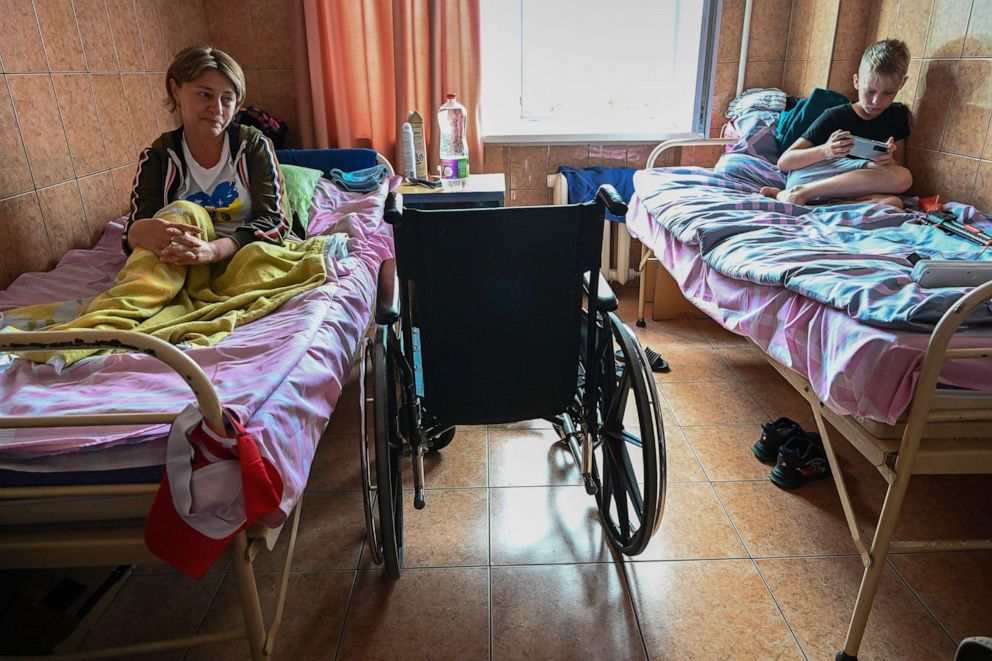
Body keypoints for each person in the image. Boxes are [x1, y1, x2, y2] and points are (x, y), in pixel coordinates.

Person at [123, 45, 292, 265]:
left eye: (227, 99)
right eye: (205, 95)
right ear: (176, 90)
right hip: (181, 258)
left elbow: (274, 221)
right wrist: (138, 232)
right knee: (169, 227)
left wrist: (214, 251)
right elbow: (136, 229)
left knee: (260, 269)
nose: (217, 109)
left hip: (243, 253)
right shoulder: (158, 157)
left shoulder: (253, 147)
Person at [761, 39, 913, 208]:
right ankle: (802, 192)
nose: (876, 101)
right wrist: (826, 150)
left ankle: (807, 200)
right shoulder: (835, 116)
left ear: (901, 84)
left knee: (897, 193)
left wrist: (887, 161)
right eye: (870, 91)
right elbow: (785, 162)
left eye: (888, 93)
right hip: (817, 176)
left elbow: (896, 169)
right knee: (900, 183)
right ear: (856, 81)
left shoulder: (897, 116)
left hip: (856, 185)